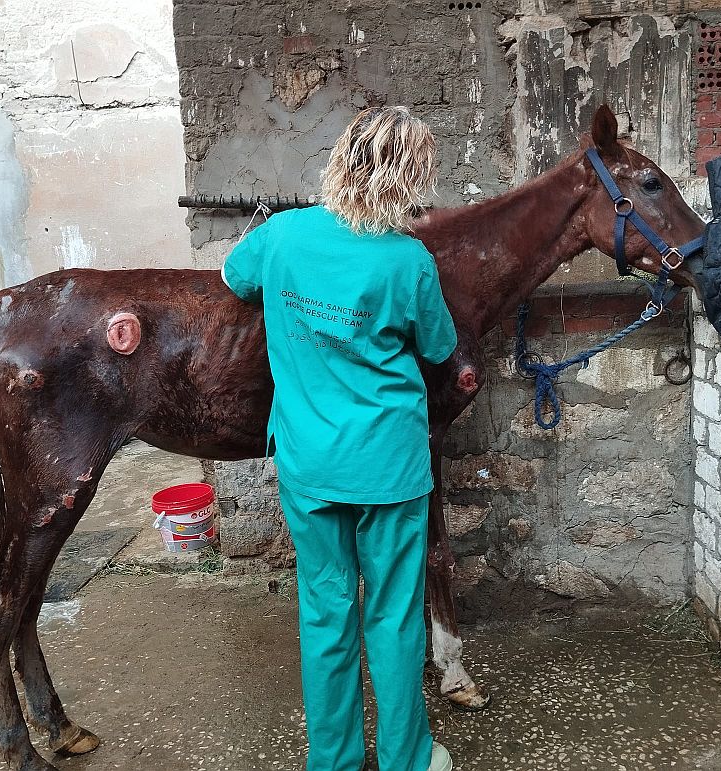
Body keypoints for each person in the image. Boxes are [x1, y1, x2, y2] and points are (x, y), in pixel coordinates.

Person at [222, 106, 457, 771]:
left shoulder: (284, 235)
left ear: (341, 160)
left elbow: (232, 280)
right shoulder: (410, 260)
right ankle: (407, 758)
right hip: (390, 465)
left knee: (327, 616)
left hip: (311, 464)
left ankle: (333, 760)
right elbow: (438, 346)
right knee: (394, 617)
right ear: (410, 176)